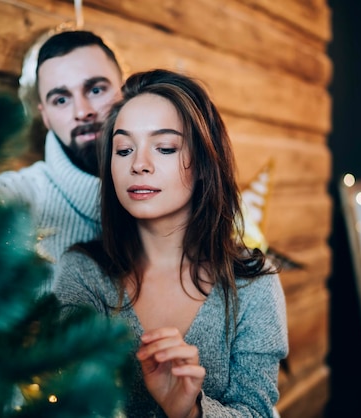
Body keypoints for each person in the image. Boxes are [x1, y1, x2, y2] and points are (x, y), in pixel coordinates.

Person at [53, 69, 289, 417]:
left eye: (164, 147)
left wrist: (190, 412)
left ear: (204, 161)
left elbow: (257, 412)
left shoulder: (253, 283)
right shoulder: (83, 272)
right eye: (123, 149)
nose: (139, 164)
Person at [0, 30, 123, 294]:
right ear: (45, 116)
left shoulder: (170, 196)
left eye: (96, 89)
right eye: (61, 99)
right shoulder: (21, 196)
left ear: (124, 92)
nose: (83, 111)